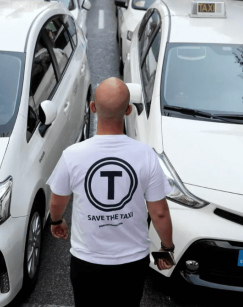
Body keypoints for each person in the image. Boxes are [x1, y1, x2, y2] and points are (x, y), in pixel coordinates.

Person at [47, 77, 175, 307]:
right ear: (128, 111)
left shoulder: (73, 154)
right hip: (132, 262)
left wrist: (56, 222)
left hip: (87, 261)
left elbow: (57, 201)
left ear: (93, 108)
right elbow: (160, 213)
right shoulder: (145, 155)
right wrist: (167, 247)